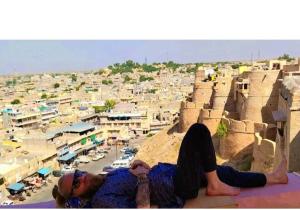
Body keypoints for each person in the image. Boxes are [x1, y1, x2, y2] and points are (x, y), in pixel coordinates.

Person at [56, 123, 288, 208]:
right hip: (176, 187)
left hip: (171, 174)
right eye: (76, 184)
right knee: (198, 131)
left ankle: (276, 179)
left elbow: (136, 176)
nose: (82, 178)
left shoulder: (107, 176)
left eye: (77, 173)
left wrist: (140, 166)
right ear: (77, 196)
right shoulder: (101, 201)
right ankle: (215, 185)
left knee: (225, 171)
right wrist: (144, 177)